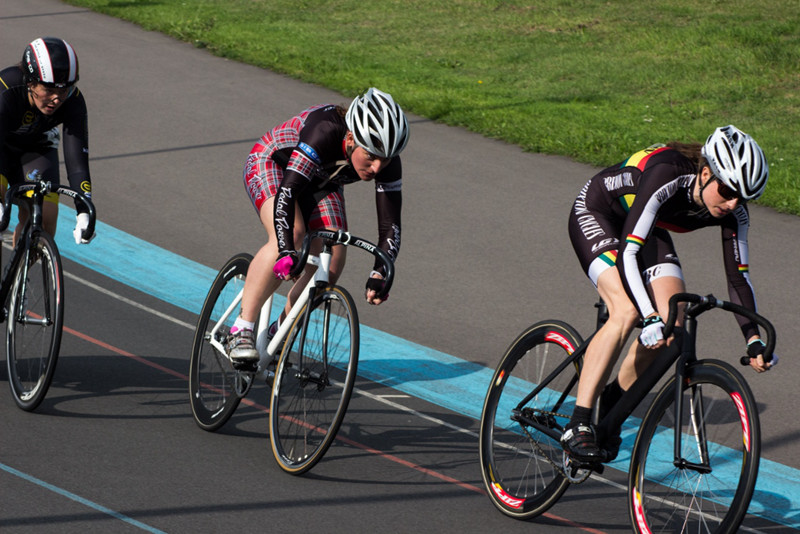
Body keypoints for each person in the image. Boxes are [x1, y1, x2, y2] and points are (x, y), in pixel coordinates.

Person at [561, 125, 773, 463]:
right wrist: (646, 317)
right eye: (728, 190)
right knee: (628, 311)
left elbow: (738, 278)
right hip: (600, 213)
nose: (733, 203)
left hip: (646, 225)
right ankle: (579, 422)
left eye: (743, 197)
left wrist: (753, 339)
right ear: (706, 173)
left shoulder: (734, 211)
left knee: (672, 324)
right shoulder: (668, 174)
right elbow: (629, 254)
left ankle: (614, 402)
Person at [227, 87, 409, 362]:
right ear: (350, 137)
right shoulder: (323, 130)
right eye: (370, 157)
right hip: (275, 165)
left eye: (385, 160)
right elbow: (288, 192)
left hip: (322, 181)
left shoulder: (386, 163)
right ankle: (242, 329)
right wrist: (287, 249)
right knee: (292, 234)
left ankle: (277, 335)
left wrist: (381, 273)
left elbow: (390, 225)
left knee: (332, 262)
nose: (376, 168)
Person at [0, 37, 94, 245]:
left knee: (45, 219)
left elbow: (77, 161)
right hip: (2, 147)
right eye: (49, 90)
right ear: (30, 82)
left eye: (63, 90)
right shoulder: (6, 87)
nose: (56, 99)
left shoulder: (74, 101)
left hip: (37, 147)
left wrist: (84, 211)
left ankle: (19, 276)